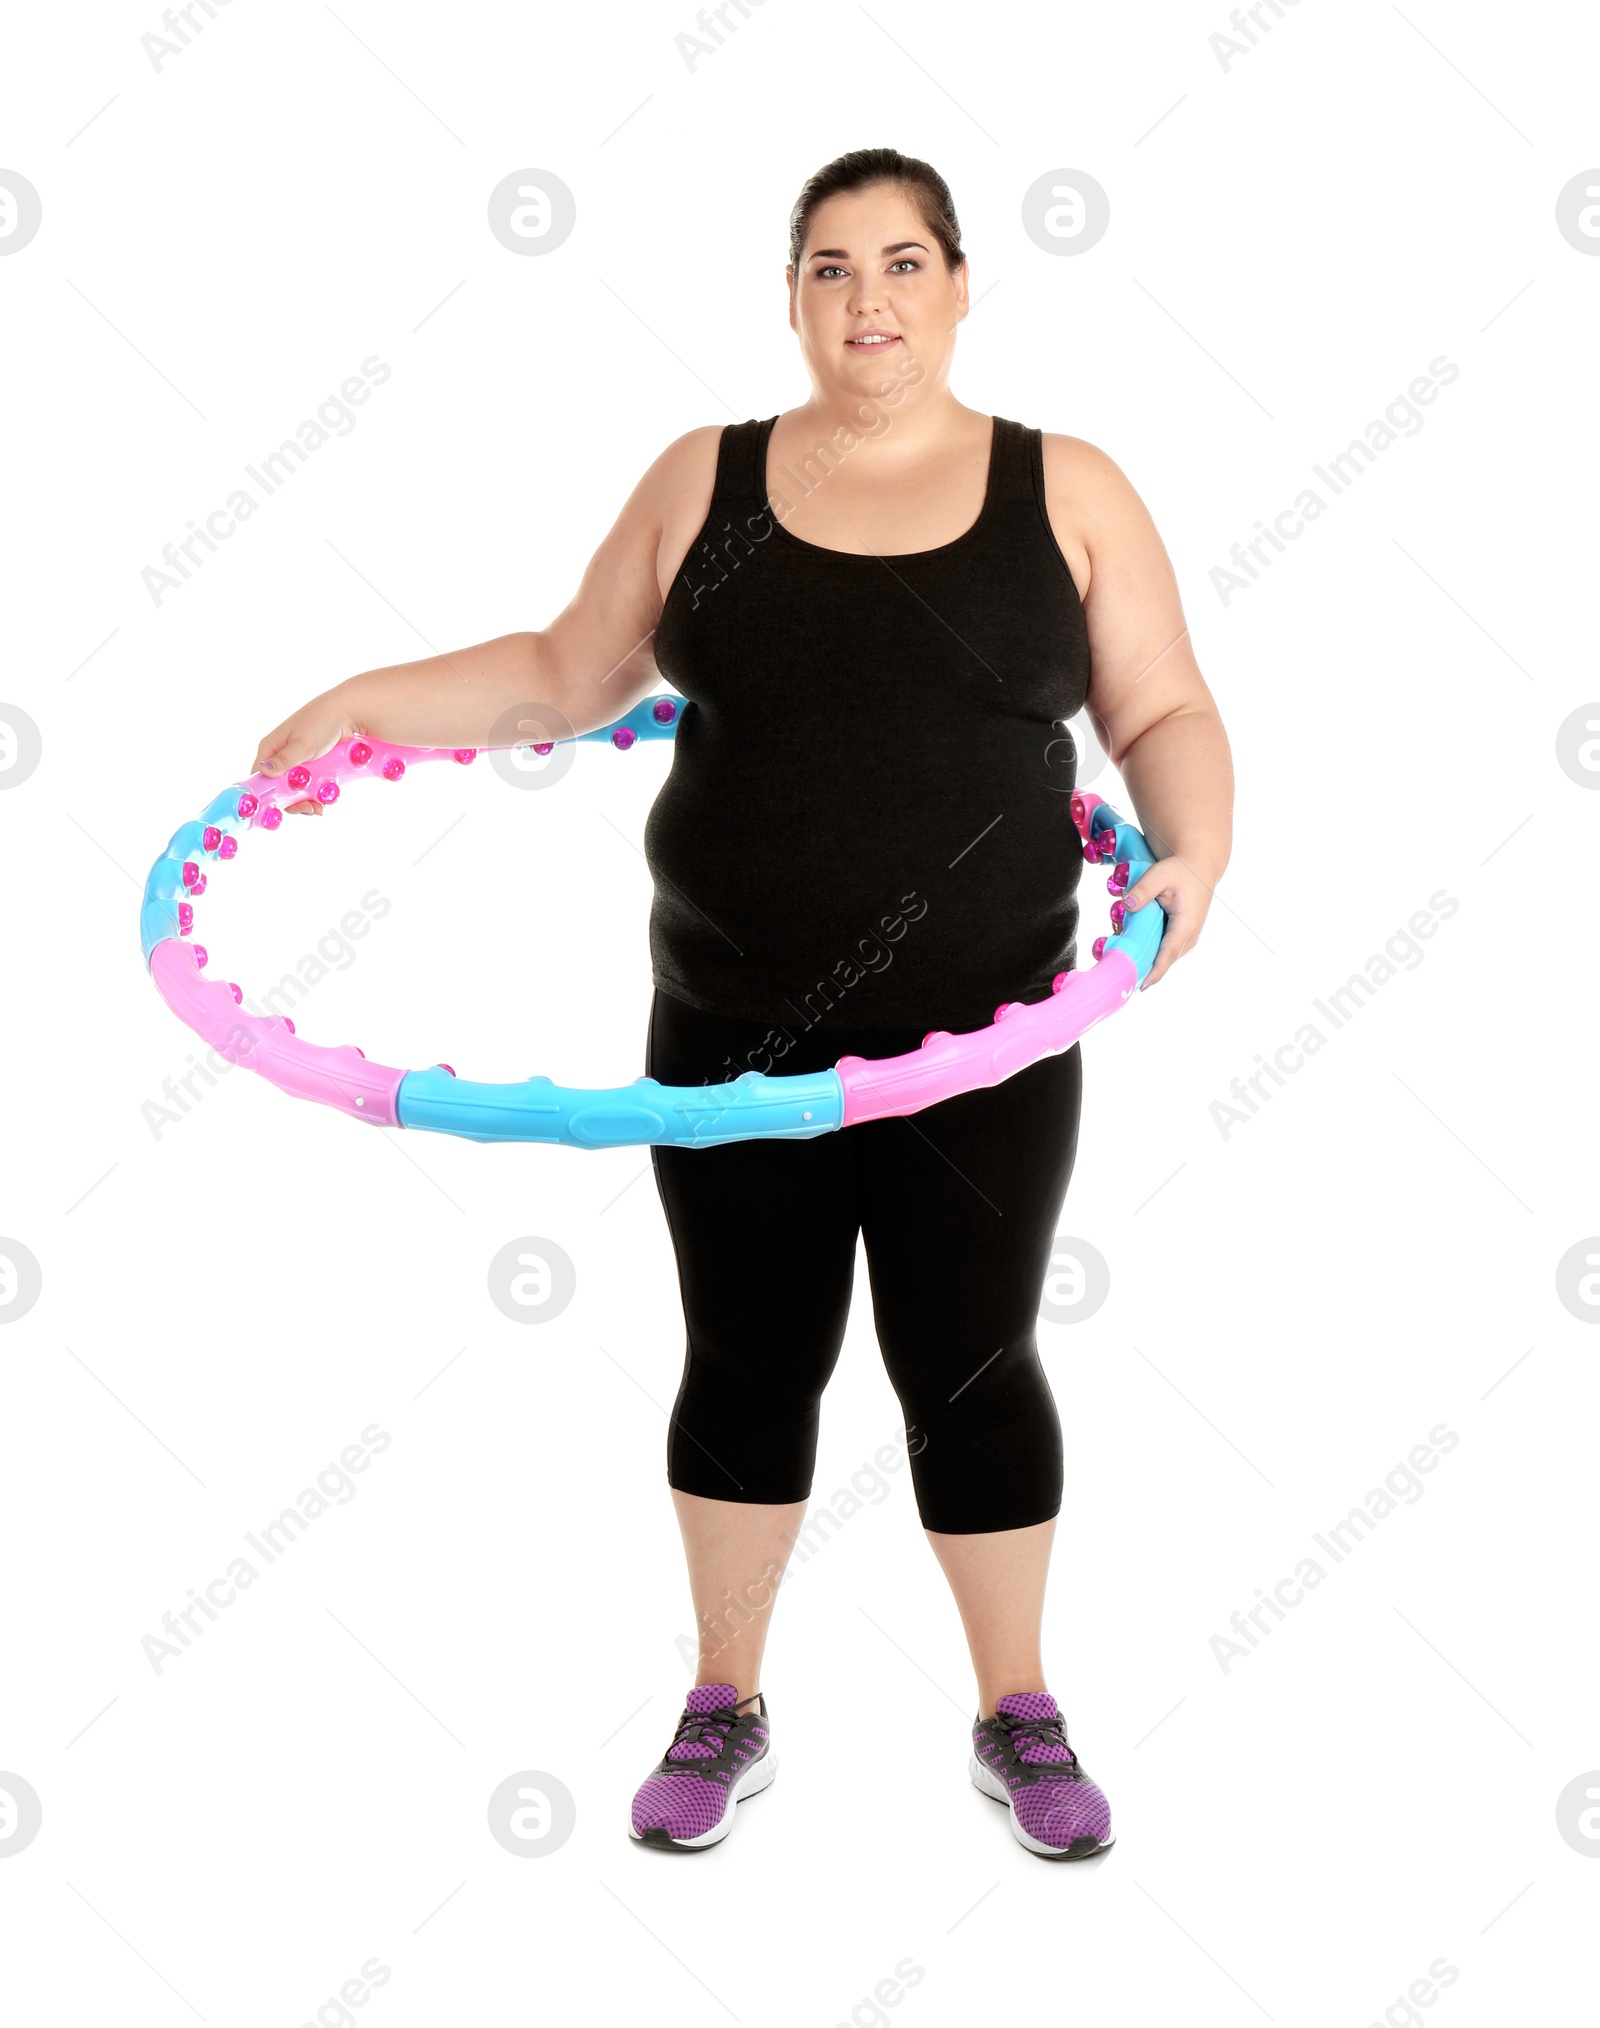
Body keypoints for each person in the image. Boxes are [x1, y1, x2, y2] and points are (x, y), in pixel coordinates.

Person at [251, 146, 1234, 1862]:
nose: (871, 299)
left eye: (906, 262)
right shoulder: (702, 478)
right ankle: (725, 1704)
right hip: (730, 1040)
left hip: (981, 1035)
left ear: (961, 285)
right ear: (791, 299)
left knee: (971, 1365)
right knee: (751, 1358)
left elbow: (1162, 713)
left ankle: (1020, 1709)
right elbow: (567, 677)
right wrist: (360, 701)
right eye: (834, 268)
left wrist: (1193, 856)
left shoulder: (1065, 486)